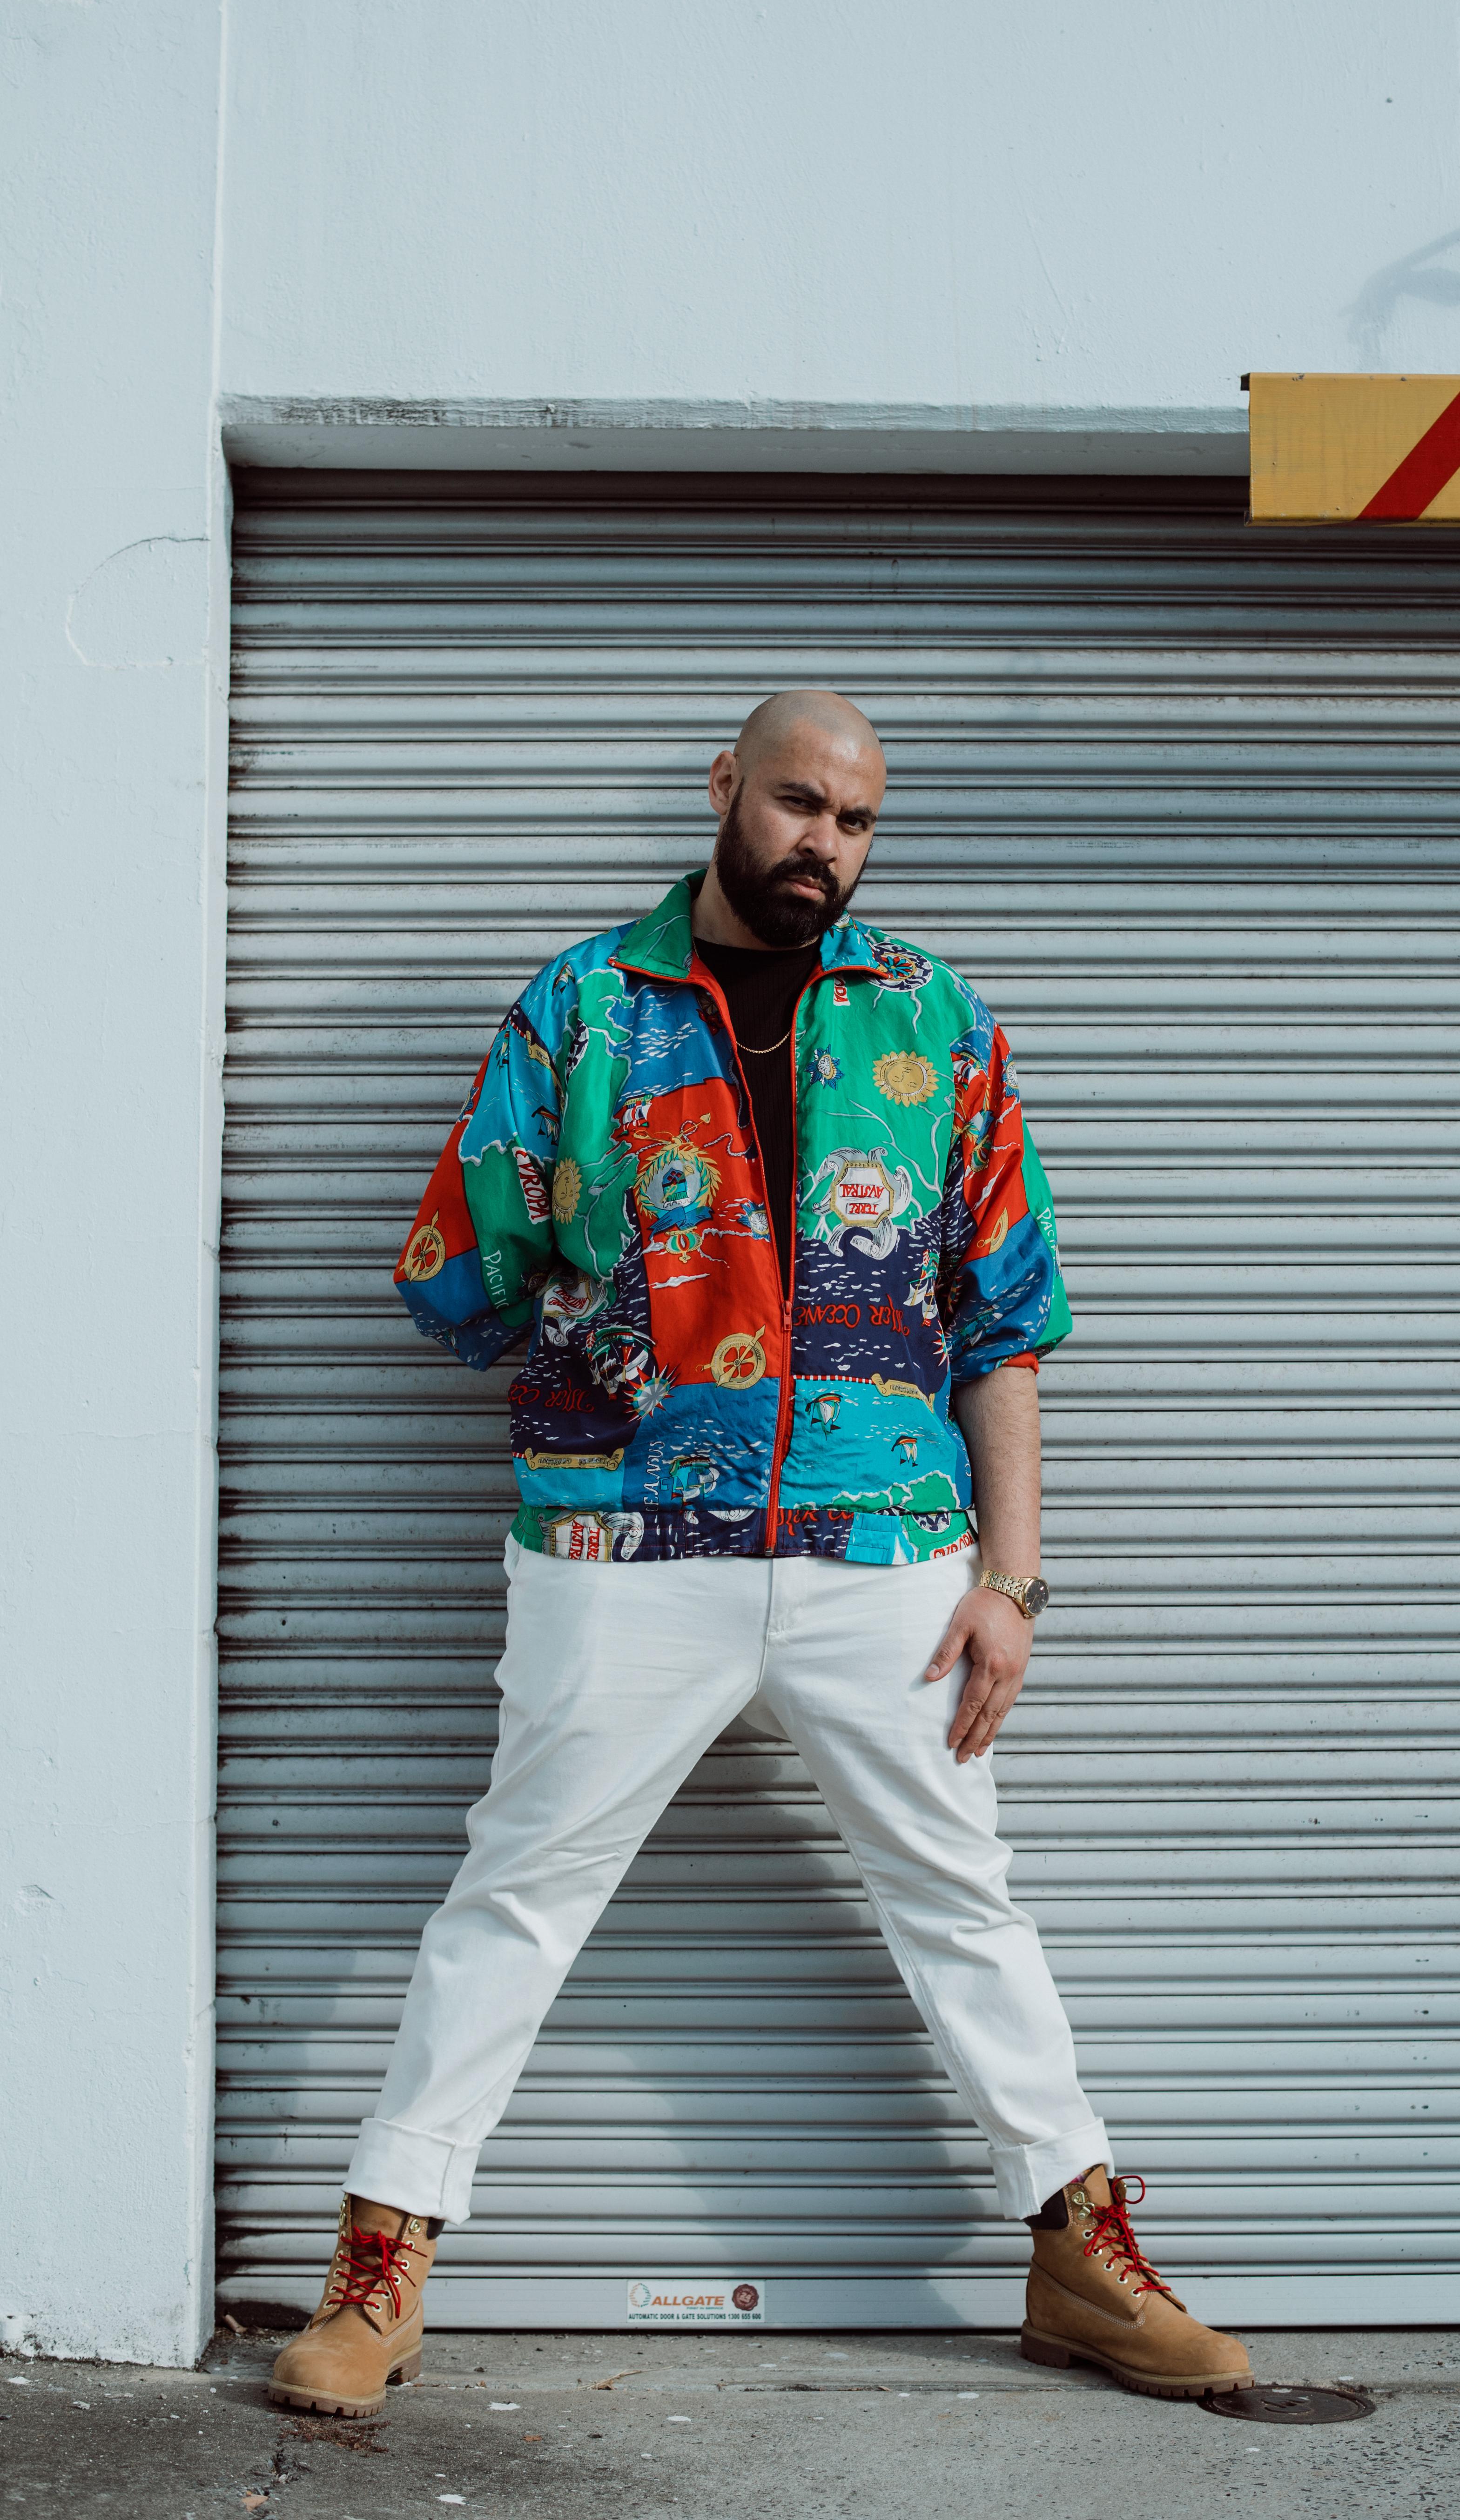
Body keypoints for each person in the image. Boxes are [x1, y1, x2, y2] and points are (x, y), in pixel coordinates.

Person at [267, 690, 1251, 2416]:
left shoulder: (934, 1018)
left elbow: (1002, 1323)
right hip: (621, 1543)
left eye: (857, 822)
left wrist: (1010, 1583)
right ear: (727, 788)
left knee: (962, 1899)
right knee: (520, 1891)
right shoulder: (586, 1005)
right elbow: (457, 1285)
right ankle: (381, 2265)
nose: (825, 846)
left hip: (889, 1550)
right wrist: (615, 1300)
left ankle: (1080, 2252)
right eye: (799, 804)